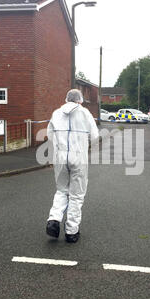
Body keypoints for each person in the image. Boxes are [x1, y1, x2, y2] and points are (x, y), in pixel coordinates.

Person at [46, 89, 99, 243]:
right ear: (80, 100)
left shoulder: (56, 113)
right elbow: (95, 136)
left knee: (62, 190)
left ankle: (54, 219)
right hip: (78, 157)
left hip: (61, 156)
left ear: (67, 98)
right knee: (76, 195)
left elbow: (50, 135)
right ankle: (71, 231)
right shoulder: (85, 113)